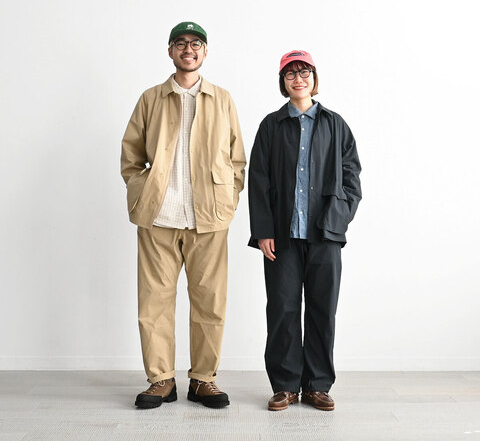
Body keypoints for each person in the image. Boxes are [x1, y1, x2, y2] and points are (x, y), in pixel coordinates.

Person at [121, 21, 246, 409]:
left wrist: (227, 199)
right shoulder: (151, 98)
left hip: (208, 216)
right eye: (181, 43)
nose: (188, 49)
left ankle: (204, 380)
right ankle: (161, 380)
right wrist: (142, 190)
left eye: (195, 44)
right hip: (159, 216)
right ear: (170, 51)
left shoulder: (222, 99)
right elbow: (130, 157)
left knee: (210, 302)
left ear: (205, 52)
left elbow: (237, 159)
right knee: (154, 303)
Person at [248, 50, 361, 411]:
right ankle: (285, 385)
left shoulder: (335, 124)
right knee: (282, 309)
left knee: (322, 310)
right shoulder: (271, 125)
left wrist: (337, 220)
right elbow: (258, 179)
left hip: (324, 234)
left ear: (314, 78)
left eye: (304, 72)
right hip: (281, 236)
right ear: (283, 82)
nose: (298, 79)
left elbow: (351, 177)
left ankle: (317, 385)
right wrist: (263, 230)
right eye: (291, 74)